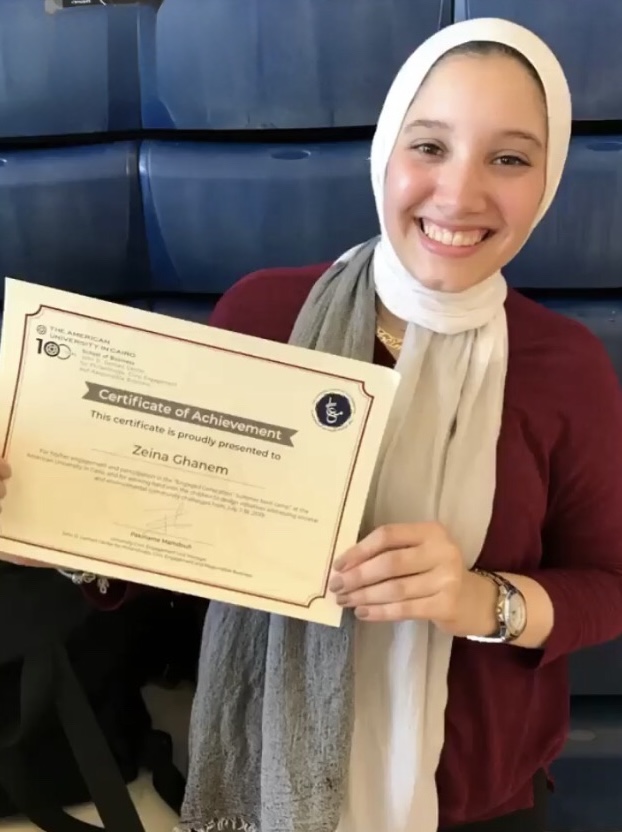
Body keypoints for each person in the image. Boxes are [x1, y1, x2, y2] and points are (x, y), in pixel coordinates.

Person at [3, 15, 622, 832]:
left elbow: (608, 587)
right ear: (386, 154)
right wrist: (63, 524)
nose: (460, 194)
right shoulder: (263, 314)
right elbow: (178, 552)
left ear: (546, 181)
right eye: (429, 146)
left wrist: (481, 601)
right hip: (259, 781)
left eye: (508, 158)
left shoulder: (564, 367)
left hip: (476, 803)